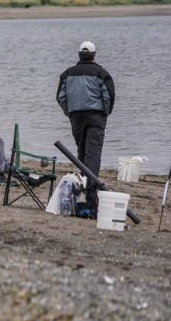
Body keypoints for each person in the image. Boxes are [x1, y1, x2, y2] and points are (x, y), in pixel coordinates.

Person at [56, 41, 115, 212]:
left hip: (77, 117)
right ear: (94, 55)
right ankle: (90, 198)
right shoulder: (101, 73)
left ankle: (83, 193)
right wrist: (105, 113)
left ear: (79, 55)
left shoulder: (67, 74)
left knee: (82, 154)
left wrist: (70, 113)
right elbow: (108, 96)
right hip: (96, 116)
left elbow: (60, 97)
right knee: (93, 155)